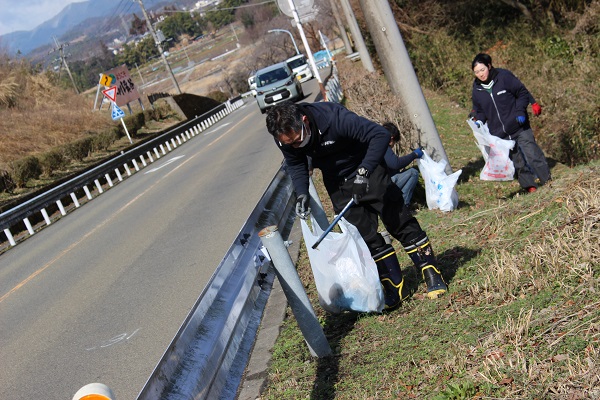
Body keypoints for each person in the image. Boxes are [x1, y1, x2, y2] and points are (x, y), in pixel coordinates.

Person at [265, 101, 447, 310]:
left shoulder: (334, 119)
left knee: (399, 222)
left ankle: (430, 271)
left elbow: (380, 135)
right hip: (338, 183)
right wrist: (302, 193)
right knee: (364, 236)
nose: (296, 146)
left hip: (368, 169)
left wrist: (364, 172)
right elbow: (296, 163)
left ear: (304, 121)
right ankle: (394, 286)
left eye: (297, 140)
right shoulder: (285, 139)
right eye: (290, 144)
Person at [470, 53, 551, 192]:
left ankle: (547, 181)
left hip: (519, 125)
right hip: (500, 133)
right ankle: (529, 186)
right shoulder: (477, 89)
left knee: (533, 154)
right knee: (517, 162)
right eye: (477, 72)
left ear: (489, 66)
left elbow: (522, 93)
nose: (480, 74)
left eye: (482, 70)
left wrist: (520, 111)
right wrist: (479, 121)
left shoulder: (504, 77)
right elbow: (480, 110)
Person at [381, 122, 423, 207]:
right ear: (391, 139)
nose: (393, 145)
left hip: (375, 186)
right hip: (383, 187)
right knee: (413, 173)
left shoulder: (373, 145)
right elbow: (395, 164)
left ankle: (396, 205)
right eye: (394, 142)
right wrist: (414, 155)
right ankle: (403, 206)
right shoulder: (384, 146)